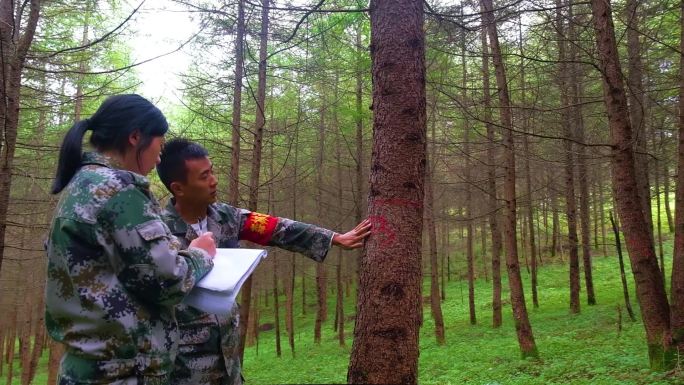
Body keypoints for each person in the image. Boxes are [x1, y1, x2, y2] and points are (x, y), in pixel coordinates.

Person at [156, 138, 371, 385]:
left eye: (212, 171)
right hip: (184, 364)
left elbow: (278, 229)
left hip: (229, 358)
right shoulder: (159, 233)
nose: (214, 181)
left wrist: (334, 238)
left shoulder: (227, 218)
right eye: (204, 176)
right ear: (179, 188)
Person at [46, 94, 217, 385]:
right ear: (136, 137)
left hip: (87, 368)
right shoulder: (118, 189)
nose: (160, 157)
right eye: (159, 146)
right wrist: (200, 254)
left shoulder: (81, 184)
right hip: (123, 371)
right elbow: (166, 280)